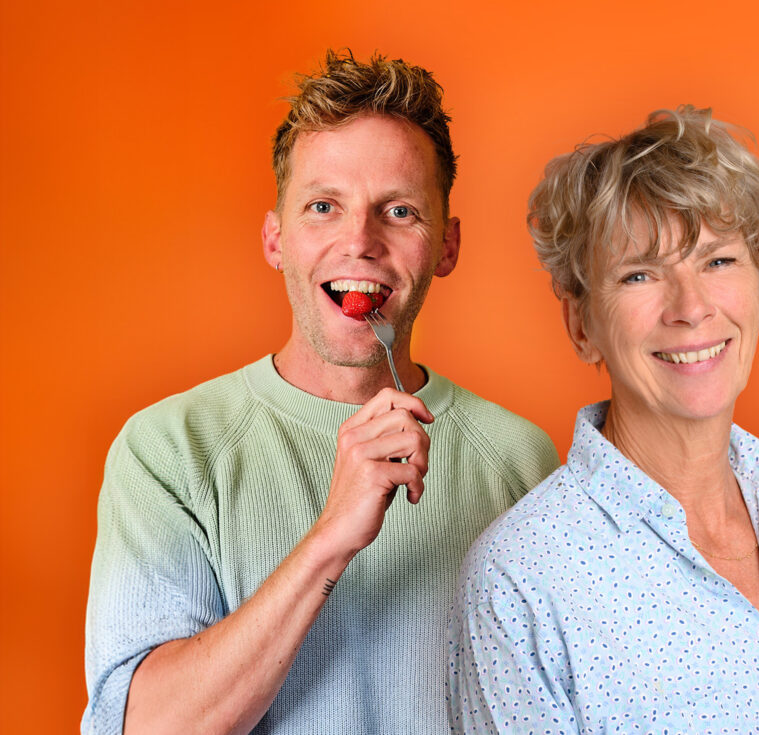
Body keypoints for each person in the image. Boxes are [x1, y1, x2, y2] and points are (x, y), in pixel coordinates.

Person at [83, 50, 559, 734]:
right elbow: (148, 725)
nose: (358, 241)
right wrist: (334, 536)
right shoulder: (166, 450)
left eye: (398, 211)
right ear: (277, 238)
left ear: (447, 246)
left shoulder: (522, 458)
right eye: (323, 206)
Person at [447, 107, 759, 732]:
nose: (690, 309)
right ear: (582, 326)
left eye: (717, 262)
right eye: (639, 274)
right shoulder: (522, 580)